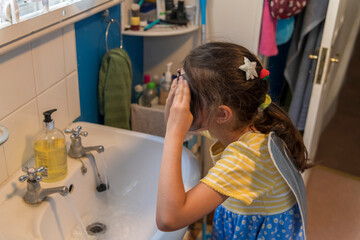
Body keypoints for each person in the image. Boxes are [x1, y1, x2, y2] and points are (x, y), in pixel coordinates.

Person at [156, 42, 311, 240]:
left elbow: (168, 219)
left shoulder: (246, 157)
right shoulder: (250, 124)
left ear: (222, 113)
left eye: (188, 95)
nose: (182, 101)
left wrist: (173, 134)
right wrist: (173, 121)